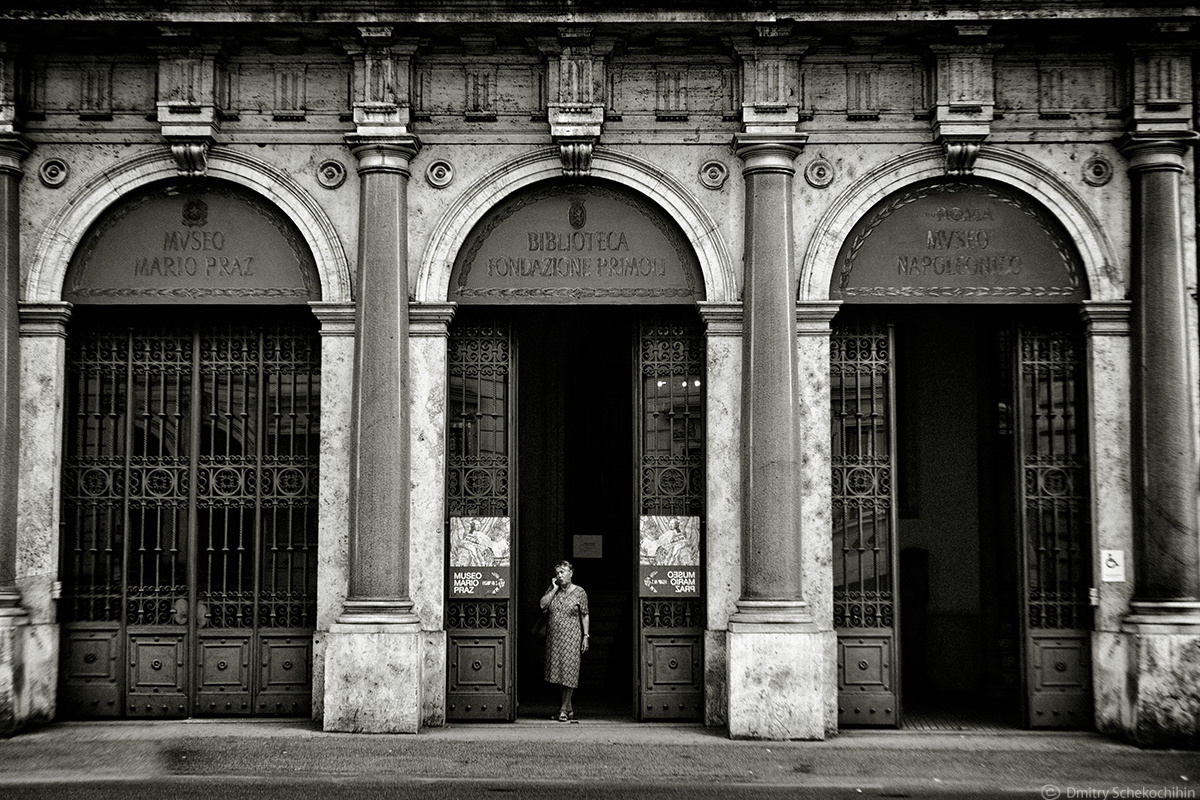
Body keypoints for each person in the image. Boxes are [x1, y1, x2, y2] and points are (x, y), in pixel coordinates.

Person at [540, 560, 589, 721]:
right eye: (557, 573)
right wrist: (554, 589)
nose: (559, 576)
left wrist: (585, 636)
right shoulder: (554, 590)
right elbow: (542, 605)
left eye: (562, 572)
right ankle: (569, 709)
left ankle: (563, 709)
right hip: (555, 638)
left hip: (572, 637)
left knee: (570, 672)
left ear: (571, 573)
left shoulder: (580, 592)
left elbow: (584, 614)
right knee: (559, 674)